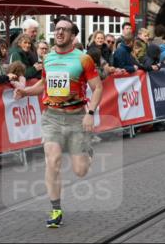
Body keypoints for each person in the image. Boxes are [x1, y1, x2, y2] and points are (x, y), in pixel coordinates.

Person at [15, 17, 102, 229]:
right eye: (57, 29)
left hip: (76, 117)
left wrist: (90, 113)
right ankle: (55, 209)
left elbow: (97, 87)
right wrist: (26, 91)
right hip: (52, 116)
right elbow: (44, 84)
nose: (59, 32)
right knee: (52, 161)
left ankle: (87, 152)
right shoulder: (48, 58)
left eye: (65, 30)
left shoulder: (83, 59)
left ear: (73, 36)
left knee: (80, 170)